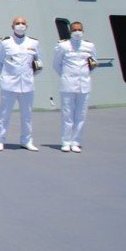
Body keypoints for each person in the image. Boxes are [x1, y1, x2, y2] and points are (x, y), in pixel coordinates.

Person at [0, 16, 42, 152]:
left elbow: (38, 62)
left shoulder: (33, 43)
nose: (20, 25)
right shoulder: (5, 43)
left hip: (27, 84)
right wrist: (7, 75)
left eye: (22, 23)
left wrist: (30, 75)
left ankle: (26, 140)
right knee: (4, 114)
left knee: (27, 114)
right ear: (12, 26)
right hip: (9, 84)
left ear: (27, 26)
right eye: (17, 23)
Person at [53, 21, 97, 153]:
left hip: (84, 84)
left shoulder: (89, 46)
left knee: (81, 115)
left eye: (79, 29)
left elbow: (93, 63)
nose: (77, 32)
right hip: (68, 85)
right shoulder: (63, 46)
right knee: (67, 115)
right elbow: (56, 64)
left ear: (83, 31)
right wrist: (67, 76)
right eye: (74, 30)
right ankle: (66, 142)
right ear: (70, 31)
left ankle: (76, 142)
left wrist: (85, 75)